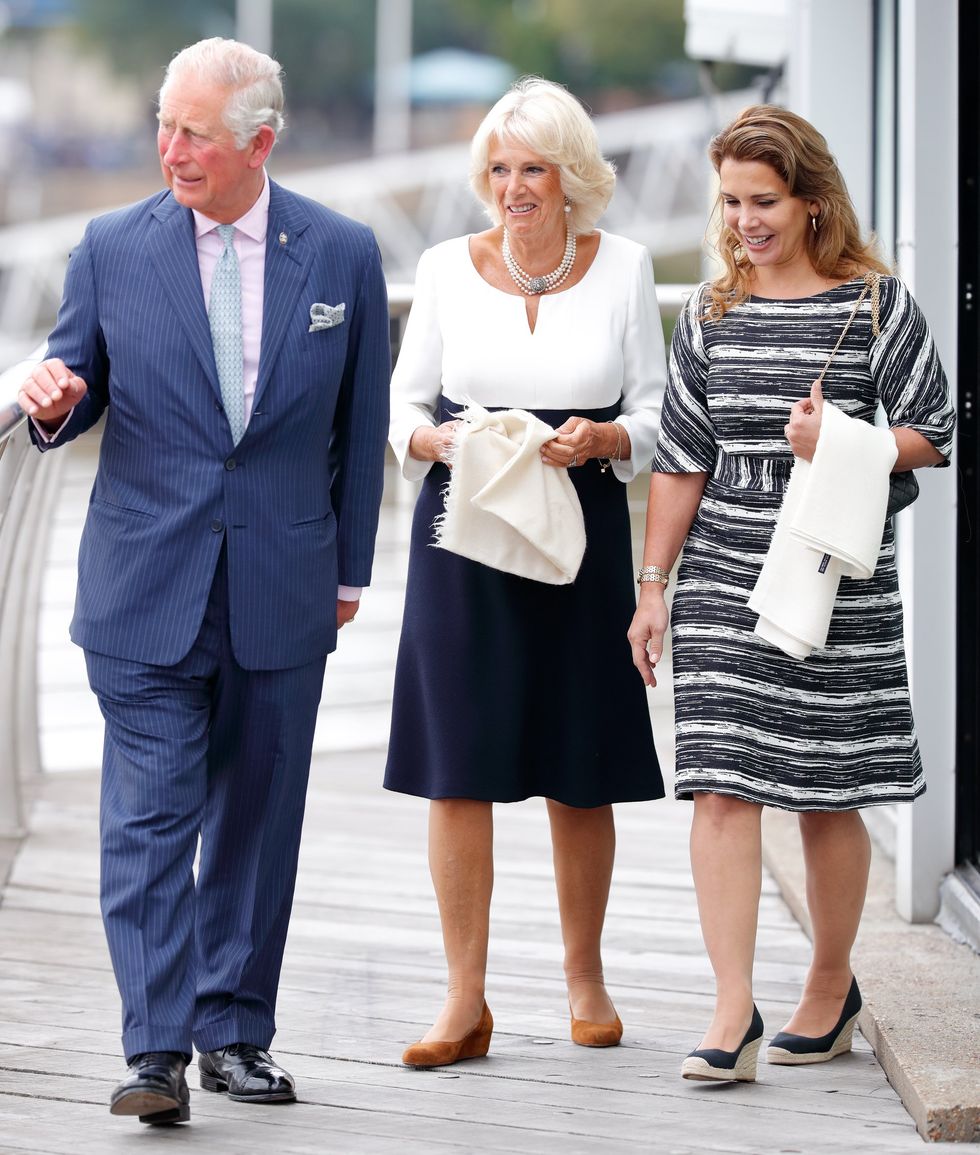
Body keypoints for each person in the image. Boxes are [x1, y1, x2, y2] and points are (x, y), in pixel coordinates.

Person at [17, 38, 390, 1125]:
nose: (170, 150)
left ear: (258, 144)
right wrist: (54, 405)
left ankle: (234, 1032)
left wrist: (350, 570)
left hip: (283, 580)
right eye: (163, 124)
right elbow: (76, 383)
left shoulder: (344, 253)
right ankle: (155, 1050)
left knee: (257, 822)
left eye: (194, 134)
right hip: (144, 583)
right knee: (147, 820)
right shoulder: (108, 247)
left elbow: (360, 423)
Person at [628, 104, 955, 1083]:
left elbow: (936, 430)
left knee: (825, 789)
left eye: (762, 201)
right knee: (719, 785)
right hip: (722, 574)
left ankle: (829, 981)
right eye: (730, 202)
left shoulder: (876, 305)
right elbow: (680, 459)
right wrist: (653, 587)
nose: (743, 221)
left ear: (812, 200)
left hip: (832, 576)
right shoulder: (709, 312)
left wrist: (842, 442)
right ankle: (731, 1010)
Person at [385, 76, 666, 1069]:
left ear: (571, 176)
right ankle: (463, 998)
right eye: (499, 169)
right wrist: (436, 440)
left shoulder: (626, 266)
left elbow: (657, 411)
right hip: (464, 533)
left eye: (533, 169)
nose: (513, 188)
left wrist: (607, 438)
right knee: (457, 770)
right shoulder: (442, 268)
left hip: (582, 532)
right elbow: (401, 407)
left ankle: (585, 978)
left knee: (579, 765)